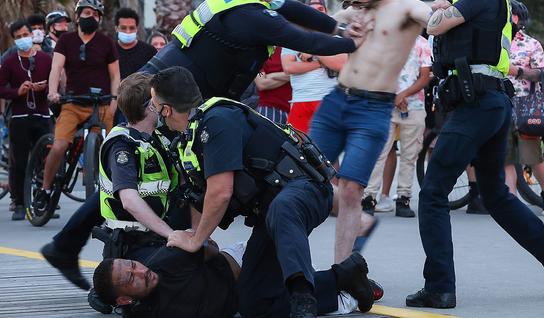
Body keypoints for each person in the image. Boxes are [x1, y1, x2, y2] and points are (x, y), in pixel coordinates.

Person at [407, 0, 544, 309]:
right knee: (496, 195)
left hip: (477, 104)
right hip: (492, 103)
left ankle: (439, 287)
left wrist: (437, 7)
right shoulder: (495, 1)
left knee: (433, 192)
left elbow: (436, 26)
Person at [149, 67, 373, 317]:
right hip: (271, 212)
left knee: (283, 207)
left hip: (304, 190)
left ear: (165, 109)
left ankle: (302, 297)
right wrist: (194, 233)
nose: (153, 111)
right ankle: (346, 277)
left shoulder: (216, 121)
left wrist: (195, 240)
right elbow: (200, 196)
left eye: (153, 104)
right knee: (254, 302)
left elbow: (221, 192)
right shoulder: (190, 137)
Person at [311, 0, 435, 264]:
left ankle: (341, 271)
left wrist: (444, 8)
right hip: (337, 100)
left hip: (373, 108)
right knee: (306, 176)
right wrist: (344, 31)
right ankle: (360, 223)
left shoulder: (406, 8)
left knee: (352, 189)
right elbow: (318, 33)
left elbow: (433, 18)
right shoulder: (358, 11)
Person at [139, 0, 365, 101]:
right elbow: (306, 41)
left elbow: (293, 8)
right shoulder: (251, 17)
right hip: (167, 88)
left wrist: (339, 29)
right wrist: (352, 43)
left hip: (173, 71)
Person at [40, 74, 187, 294]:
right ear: (150, 107)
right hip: (136, 240)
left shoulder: (156, 137)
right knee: (175, 278)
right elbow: (129, 200)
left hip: (154, 233)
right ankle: (109, 289)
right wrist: (170, 234)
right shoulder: (122, 146)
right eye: (159, 101)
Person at [92, 243, 373, 318]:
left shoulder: (164, 262)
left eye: (133, 265)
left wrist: (193, 240)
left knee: (258, 305)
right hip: (234, 299)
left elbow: (209, 247)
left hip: (240, 266)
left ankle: (342, 281)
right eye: (131, 278)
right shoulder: (142, 313)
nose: (141, 271)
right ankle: (347, 282)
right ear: (124, 299)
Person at [35, 0, 120, 227]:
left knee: (113, 148)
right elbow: (56, 68)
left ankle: (114, 195)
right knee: (60, 145)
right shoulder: (66, 41)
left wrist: (114, 100)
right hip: (72, 103)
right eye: (85, 13)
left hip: (101, 104)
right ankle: (44, 188)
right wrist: (53, 91)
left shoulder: (106, 42)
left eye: (94, 14)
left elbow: (115, 75)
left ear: (100, 18)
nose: (89, 17)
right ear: (77, 16)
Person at [363, 36, 432, 217]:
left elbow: (425, 77)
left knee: (410, 156)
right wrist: (394, 96)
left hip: (414, 106)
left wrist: (403, 94)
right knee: (379, 153)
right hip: (385, 104)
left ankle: (403, 198)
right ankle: (369, 197)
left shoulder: (422, 43)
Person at [505, 0, 544, 215]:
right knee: (505, 157)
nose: (508, 18)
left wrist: (516, 71)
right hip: (501, 105)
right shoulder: (496, 41)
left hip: (525, 106)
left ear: (519, 18)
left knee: (532, 156)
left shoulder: (531, 44)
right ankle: (510, 203)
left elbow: (540, 73)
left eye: (511, 15)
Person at [0, 20, 52, 220]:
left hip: (42, 115)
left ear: (32, 34)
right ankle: (19, 202)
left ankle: (42, 199)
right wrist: (17, 91)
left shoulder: (46, 59)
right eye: (19, 37)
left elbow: (54, 84)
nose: (23, 39)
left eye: (25, 35)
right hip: (20, 117)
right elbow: (1, 88)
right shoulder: (11, 61)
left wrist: (44, 88)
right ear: (14, 39)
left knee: (44, 159)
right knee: (19, 161)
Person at [281, 0, 345, 133]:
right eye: (312, 10)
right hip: (300, 100)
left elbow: (341, 64)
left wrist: (314, 52)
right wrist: (321, 63)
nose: (316, 12)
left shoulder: (336, 38)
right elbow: (288, 67)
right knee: (298, 148)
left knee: (326, 150)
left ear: (326, 12)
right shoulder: (293, 36)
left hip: (327, 100)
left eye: (320, 9)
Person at [114, 8, 158, 124]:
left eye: (131, 28)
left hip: (142, 106)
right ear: (116, 28)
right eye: (123, 28)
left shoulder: (149, 51)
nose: (128, 31)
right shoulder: (110, 50)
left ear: (137, 29)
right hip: (115, 104)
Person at [255, 49, 292, 124]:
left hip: (297, 110)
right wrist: (294, 74)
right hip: (269, 110)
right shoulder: (260, 53)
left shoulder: (299, 49)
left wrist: (273, 76)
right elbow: (261, 83)